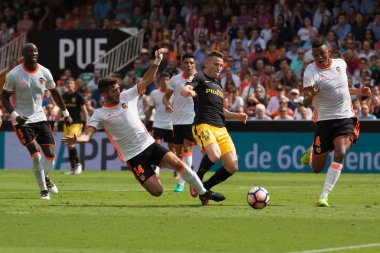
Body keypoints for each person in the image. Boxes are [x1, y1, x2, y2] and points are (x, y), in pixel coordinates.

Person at [62, 48, 225, 205]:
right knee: (157, 191)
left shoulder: (127, 95)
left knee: (178, 163)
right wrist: (78, 139)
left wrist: (157, 61)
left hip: (149, 144)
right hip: (133, 157)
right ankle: (153, 171)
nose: (118, 92)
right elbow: (88, 135)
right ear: (104, 95)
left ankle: (203, 192)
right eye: (113, 91)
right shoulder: (100, 114)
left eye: (118, 88)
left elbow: (146, 79)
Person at [300, 38, 371, 207]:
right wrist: (311, 95)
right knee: (317, 168)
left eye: (322, 53)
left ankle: (324, 195)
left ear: (329, 52)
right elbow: (305, 103)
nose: (319, 57)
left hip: (345, 117)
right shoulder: (310, 72)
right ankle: (312, 152)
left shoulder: (341, 64)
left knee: (340, 152)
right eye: (316, 54)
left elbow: (342, 88)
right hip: (324, 121)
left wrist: (359, 92)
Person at [1, 43, 73, 200]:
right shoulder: (14, 74)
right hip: (22, 121)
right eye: (29, 51)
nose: (33, 53)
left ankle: (45, 177)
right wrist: (14, 115)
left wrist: (66, 113)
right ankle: (43, 191)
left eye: (35, 51)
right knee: (36, 156)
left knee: (50, 156)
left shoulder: (45, 72)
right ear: (23, 54)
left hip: (40, 118)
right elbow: (4, 97)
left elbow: (54, 93)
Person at [181, 50, 247, 205]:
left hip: (220, 128)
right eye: (216, 65)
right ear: (206, 64)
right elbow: (186, 89)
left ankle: (204, 188)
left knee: (232, 166)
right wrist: (188, 91)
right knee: (215, 155)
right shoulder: (200, 77)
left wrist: (237, 116)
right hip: (203, 125)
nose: (219, 68)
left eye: (221, 65)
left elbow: (220, 111)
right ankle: (196, 179)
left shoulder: (218, 85)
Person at [162, 54, 196, 194]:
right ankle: (187, 177)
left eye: (191, 62)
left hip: (191, 119)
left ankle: (182, 182)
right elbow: (166, 97)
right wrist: (167, 104)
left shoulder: (198, 79)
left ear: (194, 65)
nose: (189, 65)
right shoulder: (175, 80)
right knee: (178, 153)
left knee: (187, 149)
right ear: (181, 64)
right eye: (186, 62)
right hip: (176, 120)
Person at [144, 72, 175, 176]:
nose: (165, 82)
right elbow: (150, 109)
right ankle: (156, 171)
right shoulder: (154, 94)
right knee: (156, 146)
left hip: (171, 125)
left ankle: (176, 167)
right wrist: (145, 123)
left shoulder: (174, 94)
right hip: (158, 124)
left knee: (172, 149)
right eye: (163, 80)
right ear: (159, 81)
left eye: (167, 80)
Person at [55, 78, 88, 175]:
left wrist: (86, 124)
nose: (69, 84)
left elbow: (84, 111)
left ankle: (78, 164)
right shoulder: (64, 96)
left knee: (71, 144)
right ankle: (73, 168)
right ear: (66, 85)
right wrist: (56, 124)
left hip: (76, 123)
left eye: (71, 83)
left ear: (74, 85)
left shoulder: (78, 96)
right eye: (68, 83)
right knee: (69, 146)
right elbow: (60, 111)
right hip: (67, 125)